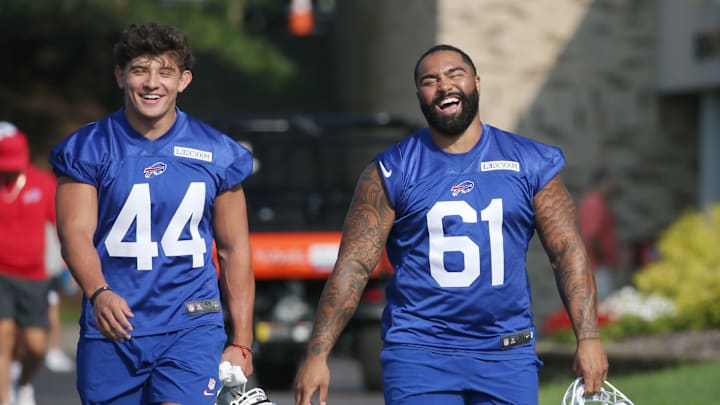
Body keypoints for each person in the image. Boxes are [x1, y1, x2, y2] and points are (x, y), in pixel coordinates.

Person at [294, 44, 608, 405]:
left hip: (506, 352)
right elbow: (354, 264)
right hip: (420, 353)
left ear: (476, 82)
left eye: (454, 74)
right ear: (419, 96)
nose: (444, 85)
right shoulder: (391, 170)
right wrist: (317, 355)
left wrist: (589, 339)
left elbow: (567, 252)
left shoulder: (530, 162)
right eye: (430, 80)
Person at [50, 22, 255, 405]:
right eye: (140, 70)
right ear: (120, 75)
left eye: (165, 71)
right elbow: (74, 234)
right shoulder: (88, 149)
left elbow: (234, 249)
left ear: (184, 80)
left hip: (191, 323)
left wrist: (241, 339)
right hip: (115, 325)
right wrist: (99, 292)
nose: (152, 82)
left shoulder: (218, 153)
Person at [0, 122, 57, 405]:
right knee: (4, 336)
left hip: (35, 276)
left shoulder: (43, 183)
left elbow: (65, 226)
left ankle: (22, 382)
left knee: (36, 346)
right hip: (1, 275)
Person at [577, 168, 622, 301]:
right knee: (602, 306)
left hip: (597, 265)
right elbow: (592, 236)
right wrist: (602, 260)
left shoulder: (596, 202)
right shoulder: (594, 203)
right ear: (603, 182)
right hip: (597, 267)